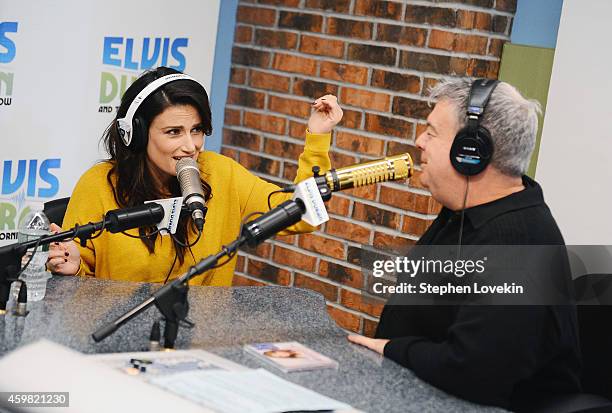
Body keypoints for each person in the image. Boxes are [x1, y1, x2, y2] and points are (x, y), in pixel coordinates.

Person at [347, 78, 581, 410]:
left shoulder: (518, 243)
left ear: (470, 150)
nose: (419, 141)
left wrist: (390, 348)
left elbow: (473, 372)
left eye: (431, 133)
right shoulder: (464, 214)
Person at [46, 66, 342, 286]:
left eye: (197, 130)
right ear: (135, 136)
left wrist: (316, 138)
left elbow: (304, 215)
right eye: (174, 132)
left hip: (200, 347)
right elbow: (77, 283)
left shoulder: (221, 172)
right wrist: (71, 268)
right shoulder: (99, 184)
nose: (191, 147)